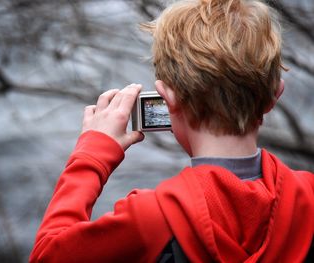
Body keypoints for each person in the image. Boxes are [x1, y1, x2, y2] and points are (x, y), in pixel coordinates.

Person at [29, 0, 314, 262]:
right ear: (275, 95)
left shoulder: (150, 217)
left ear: (168, 98)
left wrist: (92, 155)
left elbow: (47, 255)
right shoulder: (308, 196)